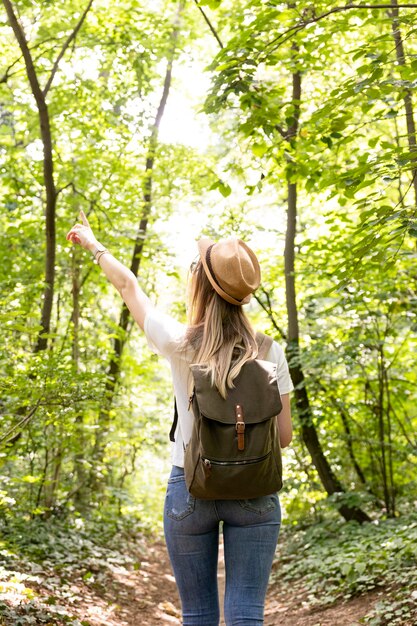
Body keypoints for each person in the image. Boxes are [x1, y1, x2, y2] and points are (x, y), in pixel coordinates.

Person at [66, 211, 294, 626]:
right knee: (246, 614)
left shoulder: (180, 343)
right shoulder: (269, 351)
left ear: (201, 286)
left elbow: (127, 285)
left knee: (199, 614)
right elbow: (283, 438)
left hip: (190, 489)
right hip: (256, 493)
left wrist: (93, 243)